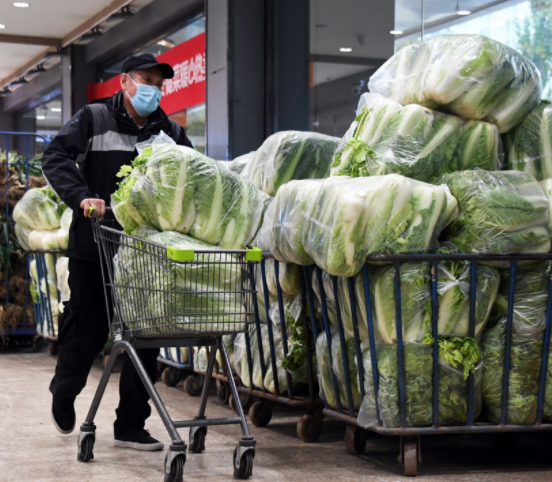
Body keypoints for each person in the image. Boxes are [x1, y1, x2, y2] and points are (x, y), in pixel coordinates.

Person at [42, 53, 192, 451]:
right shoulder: (94, 118)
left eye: (159, 84)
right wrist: (82, 197)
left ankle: (130, 424)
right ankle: (65, 388)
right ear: (125, 82)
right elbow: (54, 156)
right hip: (96, 243)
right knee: (88, 328)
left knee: (145, 335)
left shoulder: (171, 132)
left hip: (146, 254)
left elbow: (193, 176)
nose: (153, 90)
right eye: (146, 80)